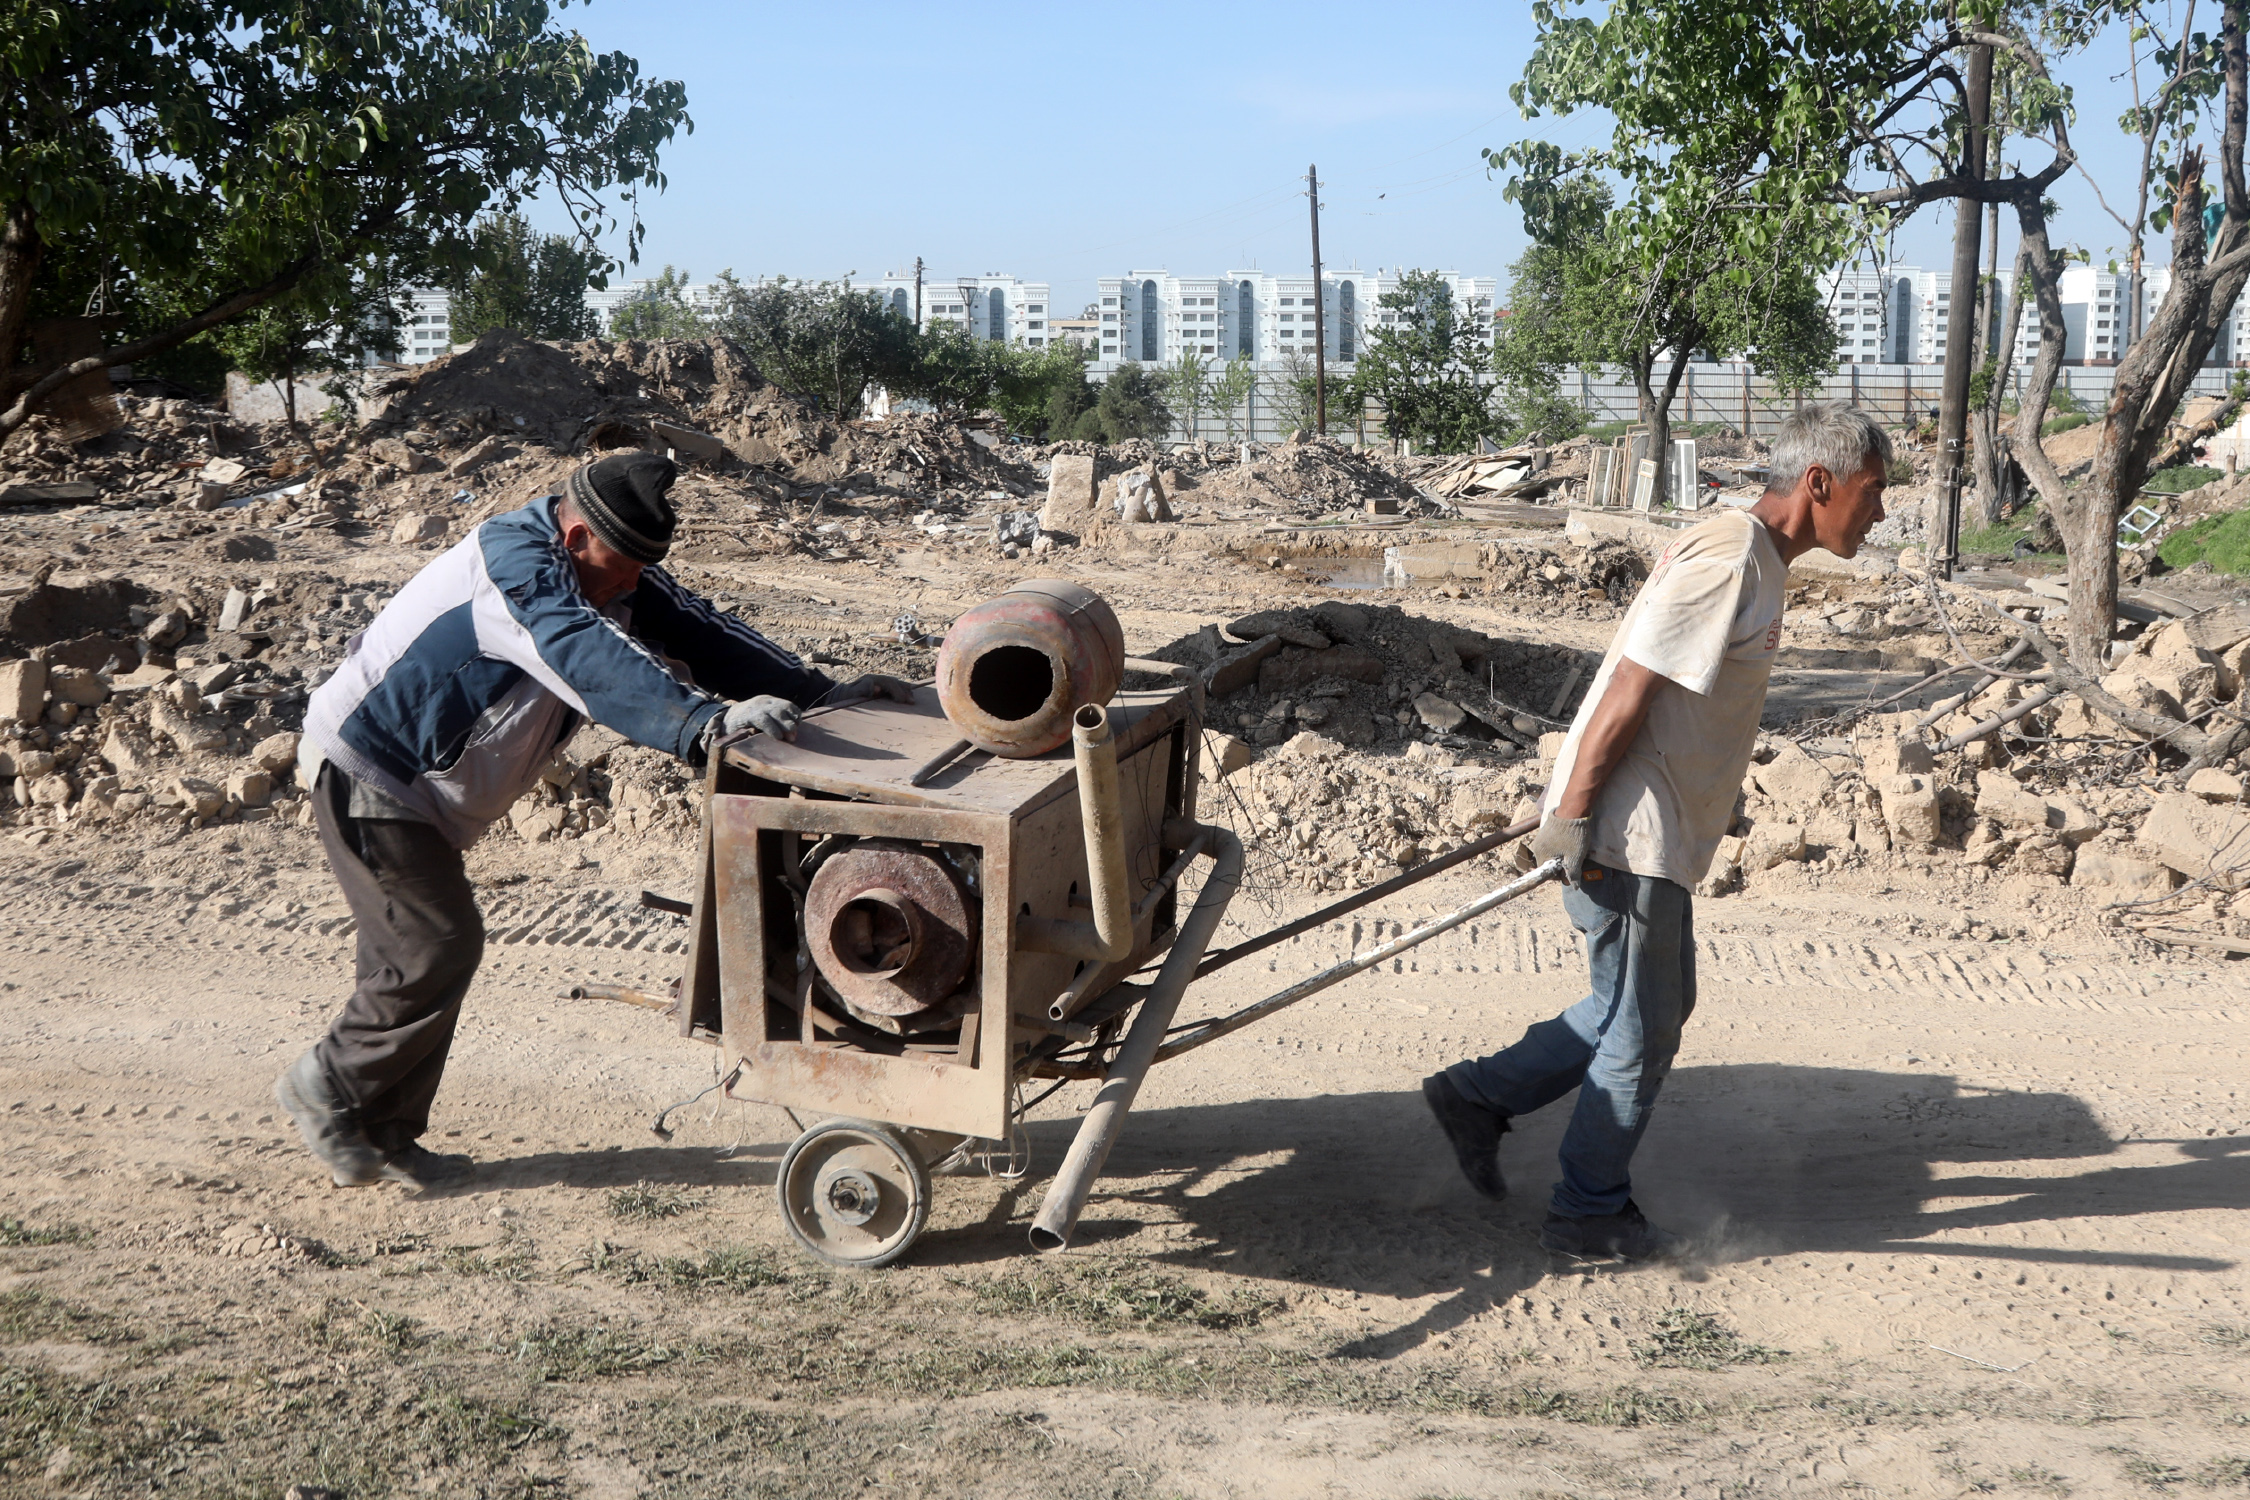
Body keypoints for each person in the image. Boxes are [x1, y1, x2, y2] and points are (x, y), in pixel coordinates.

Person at [276, 452, 911, 1189]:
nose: (633, 585)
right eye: (622, 566)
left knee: (408, 959)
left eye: (643, 570)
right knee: (434, 945)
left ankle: (379, 1130)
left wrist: (826, 695)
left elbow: (706, 635)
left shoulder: (607, 574)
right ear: (575, 538)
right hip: (371, 767)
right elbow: (586, 657)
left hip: (424, 786)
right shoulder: (518, 571)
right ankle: (326, 1086)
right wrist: (703, 723)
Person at [1422, 403, 1891, 1260]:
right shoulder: (1730, 559)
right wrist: (1570, 817)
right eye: (1874, 492)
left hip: (1655, 824)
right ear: (1819, 484)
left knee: (1646, 1008)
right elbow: (1630, 687)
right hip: (1627, 831)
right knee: (1640, 1027)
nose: (1881, 513)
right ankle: (1586, 1210)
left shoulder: (1753, 558)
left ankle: (1478, 1097)